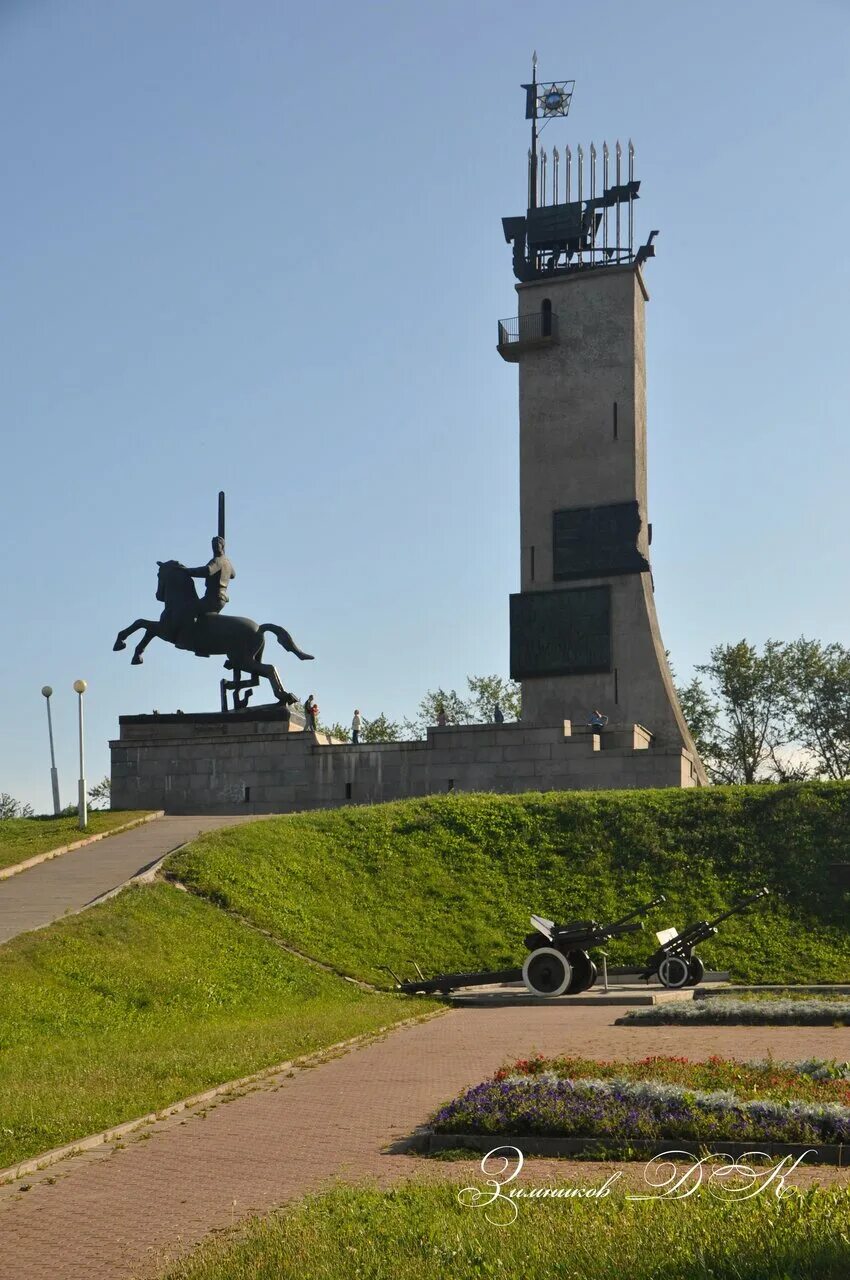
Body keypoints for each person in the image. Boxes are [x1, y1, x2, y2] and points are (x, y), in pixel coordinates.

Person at [185, 536, 236, 618]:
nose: (214, 547)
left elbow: (207, 571)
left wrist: (187, 571)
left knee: (189, 610)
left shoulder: (218, 560)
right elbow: (233, 574)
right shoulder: (227, 561)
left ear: (222, 546)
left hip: (213, 597)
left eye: (217, 545)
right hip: (221, 597)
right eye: (213, 545)